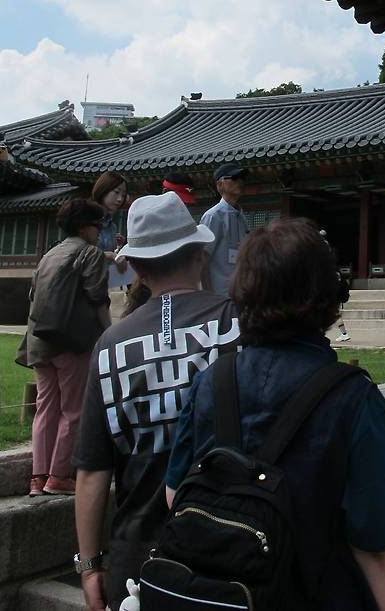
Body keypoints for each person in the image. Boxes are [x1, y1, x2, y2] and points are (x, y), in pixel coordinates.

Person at [166, 217, 385, 611]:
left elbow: (176, 492)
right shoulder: (353, 397)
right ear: (327, 293)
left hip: (223, 596)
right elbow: (378, 546)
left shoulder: (211, 382)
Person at [72, 192, 240, 611]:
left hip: (138, 557)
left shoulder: (110, 345)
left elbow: (93, 470)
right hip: (235, 546)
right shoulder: (237, 322)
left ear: (139, 269)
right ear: (201, 253)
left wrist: (91, 565)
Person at [20, 198, 110, 497]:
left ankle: (38, 476)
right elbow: (97, 297)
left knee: (45, 408)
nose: (99, 231)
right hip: (71, 342)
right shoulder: (89, 253)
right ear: (85, 226)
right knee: (73, 410)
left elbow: (33, 294)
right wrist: (109, 333)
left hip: (39, 340)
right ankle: (59, 475)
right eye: (98, 225)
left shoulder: (49, 254)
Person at [200, 163, 249, 296]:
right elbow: (202, 258)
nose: (240, 182)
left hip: (239, 292)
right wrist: (207, 293)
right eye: (234, 178)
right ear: (220, 185)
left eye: (242, 178)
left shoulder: (241, 216)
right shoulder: (213, 216)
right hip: (218, 294)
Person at [91, 172, 129, 287]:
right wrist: (109, 255)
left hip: (102, 285)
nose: (120, 199)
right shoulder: (87, 220)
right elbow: (78, 253)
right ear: (103, 190)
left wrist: (118, 249)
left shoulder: (112, 227)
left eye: (123, 195)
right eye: (116, 192)